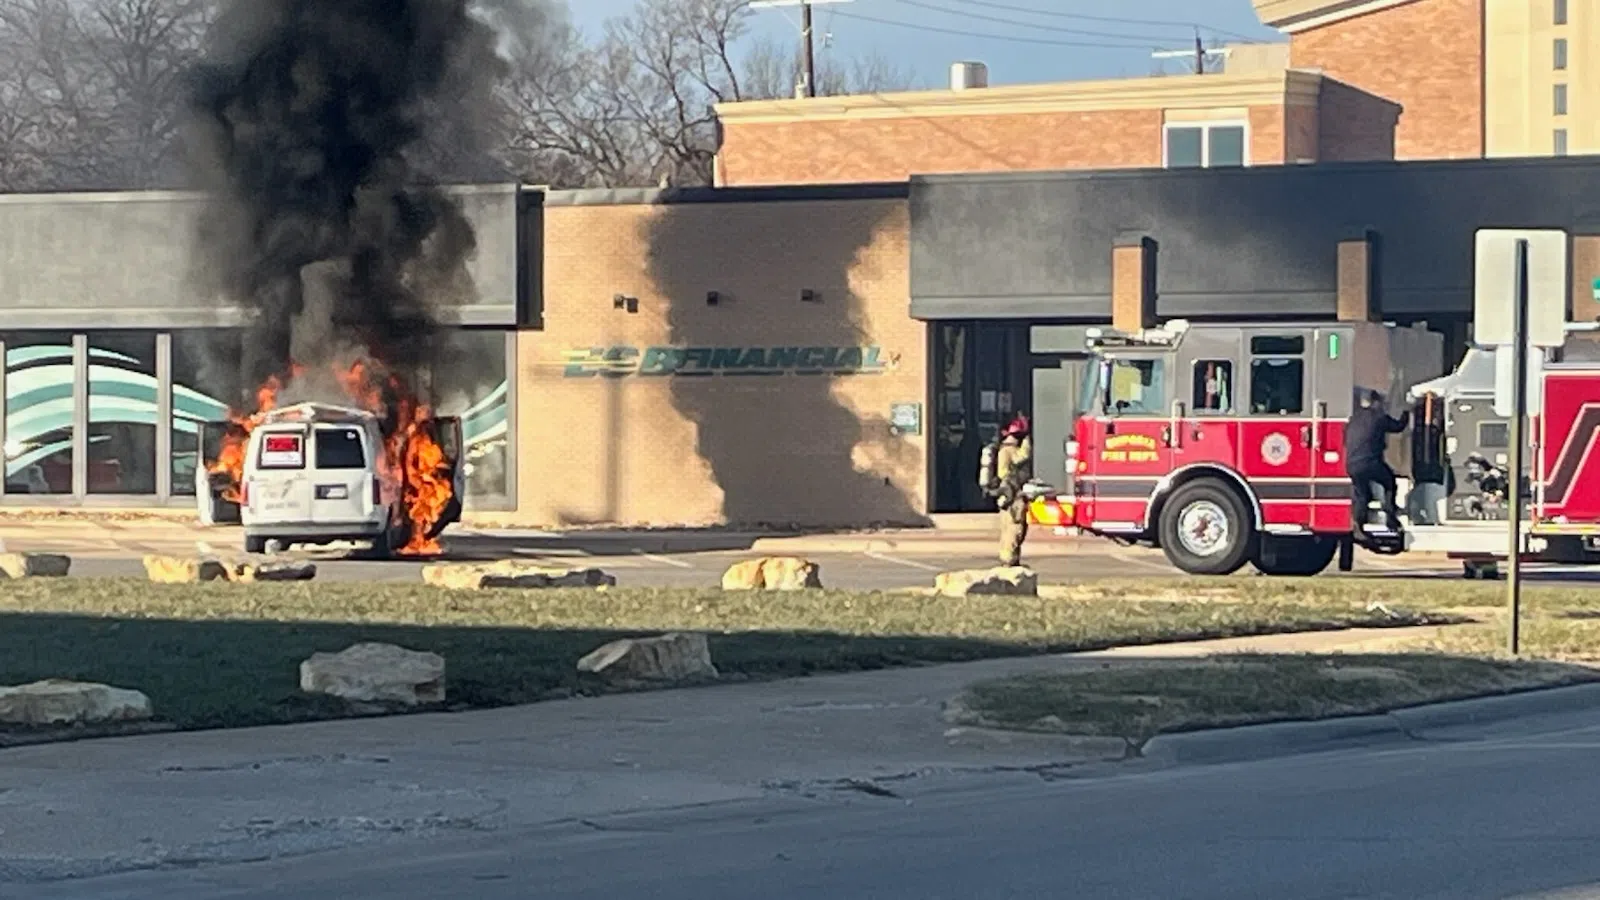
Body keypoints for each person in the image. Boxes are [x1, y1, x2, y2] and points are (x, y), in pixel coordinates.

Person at [1346, 389, 1410, 538]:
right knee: (1390, 483)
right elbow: (1398, 426)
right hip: (1370, 462)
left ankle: (1358, 524)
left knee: (1362, 495)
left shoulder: (1354, 418)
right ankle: (1390, 516)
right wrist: (1407, 412)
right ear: (1376, 403)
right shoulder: (1378, 417)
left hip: (1351, 465)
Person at [993, 414, 1033, 566]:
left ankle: (1008, 558)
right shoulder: (1009, 451)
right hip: (1013, 495)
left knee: (1009, 527)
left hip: (1008, 494)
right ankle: (1010, 559)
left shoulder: (1003, 450)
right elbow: (1022, 457)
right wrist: (1027, 441)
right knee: (1015, 527)